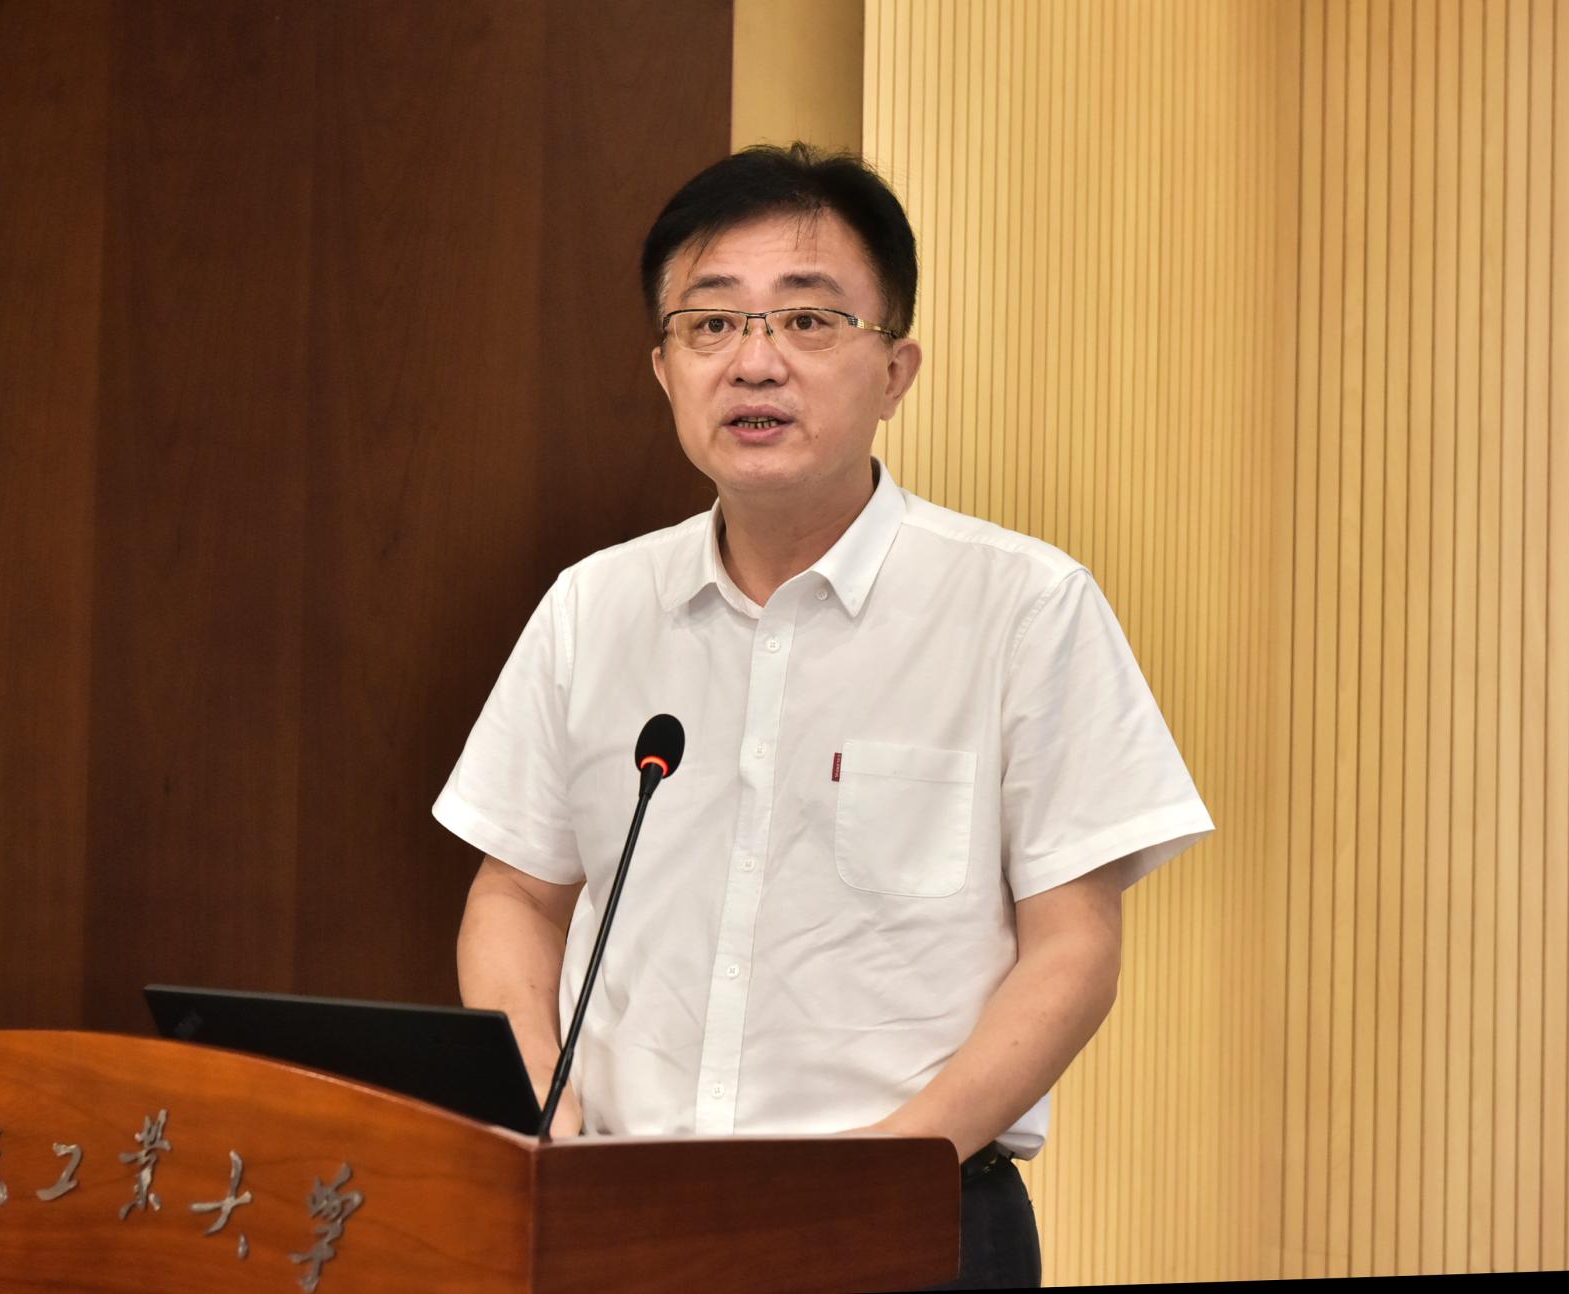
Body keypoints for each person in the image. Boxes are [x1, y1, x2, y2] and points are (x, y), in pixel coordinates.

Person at [434, 142, 1213, 1291]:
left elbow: (1076, 946)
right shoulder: (592, 608)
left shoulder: (1022, 606)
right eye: (711, 324)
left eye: (807, 321)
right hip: (623, 1218)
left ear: (895, 370)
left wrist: (881, 1172)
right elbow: (515, 896)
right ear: (663, 368)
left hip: (912, 1224)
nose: (755, 362)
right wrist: (547, 1112)